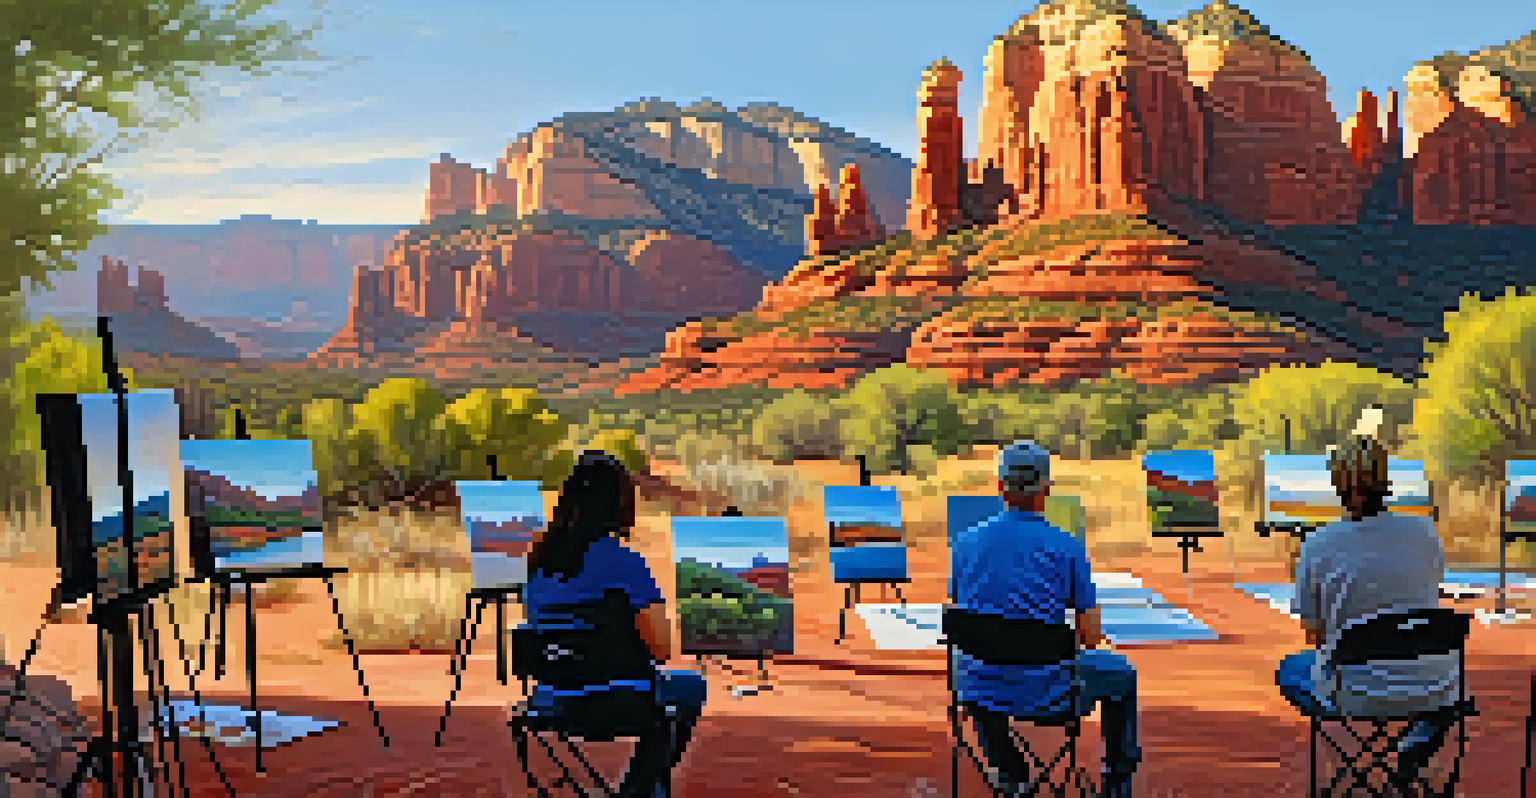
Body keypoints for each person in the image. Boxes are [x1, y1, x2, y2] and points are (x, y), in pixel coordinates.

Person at [950, 440, 1140, 797]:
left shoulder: (963, 544)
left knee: (978, 667)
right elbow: (1091, 639)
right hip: (1049, 694)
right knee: (1122, 675)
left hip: (978, 691)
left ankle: (1009, 770)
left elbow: (967, 613)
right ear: (1046, 489)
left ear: (1000, 486)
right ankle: (1117, 781)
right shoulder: (1066, 546)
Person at [1275, 435, 1461, 789]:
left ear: (1336, 484)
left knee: (1289, 668)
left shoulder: (1316, 545)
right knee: (1451, 679)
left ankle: (1346, 772)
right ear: (1386, 479)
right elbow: (1426, 600)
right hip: (1435, 690)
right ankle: (1414, 747)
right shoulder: (1425, 532)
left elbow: (1315, 638)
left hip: (1354, 691)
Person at [521, 451, 707, 798]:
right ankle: (639, 789)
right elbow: (662, 650)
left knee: (664, 695)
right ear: (621, 505)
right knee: (690, 687)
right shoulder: (627, 563)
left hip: (553, 697)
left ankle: (643, 789)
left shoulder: (539, 563)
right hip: (621, 698)